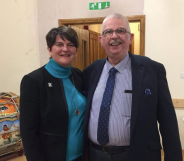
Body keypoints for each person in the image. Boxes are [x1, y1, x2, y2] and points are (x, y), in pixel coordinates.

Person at [83, 13, 183, 161]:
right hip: (95, 155)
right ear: (101, 40)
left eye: (121, 31)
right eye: (108, 32)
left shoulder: (153, 70)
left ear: (130, 38)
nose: (114, 36)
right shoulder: (91, 71)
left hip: (137, 155)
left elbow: (168, 121)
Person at [20, 26, 86, 161]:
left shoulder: (78, 75)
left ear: (76, 51)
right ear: (49, 49)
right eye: (59, 44)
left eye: (70, 45)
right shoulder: (33, 81)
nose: (65, 49)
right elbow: (28, 133)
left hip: (81, 156)